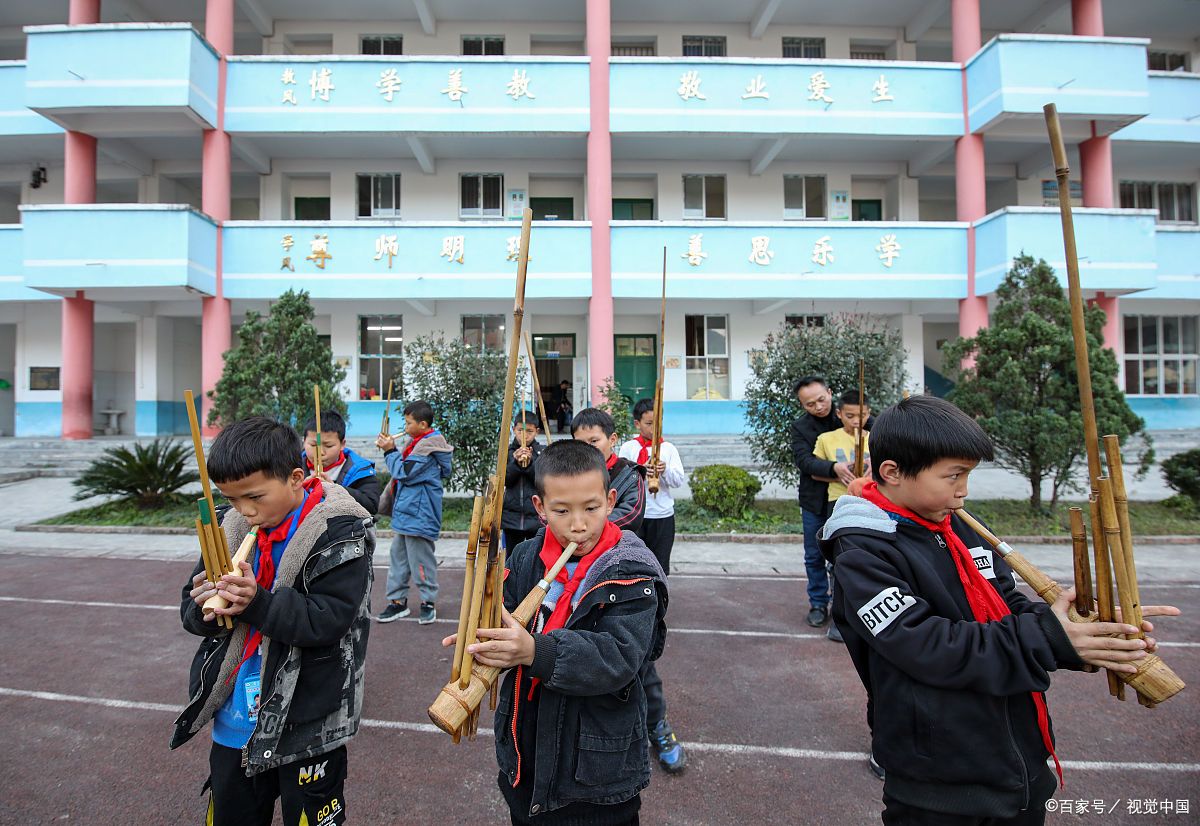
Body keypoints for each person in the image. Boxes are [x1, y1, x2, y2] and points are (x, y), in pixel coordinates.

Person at [821, 396, 1179, 825]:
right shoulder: (862, 550)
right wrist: (1049, 637)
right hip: (938, 781)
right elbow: (925, 644)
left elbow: (1007, 606)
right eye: (953, 475)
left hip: (1019, 763)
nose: (963, 490)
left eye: (968, 475)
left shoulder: (959, 525)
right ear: (893, 472)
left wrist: (1083, 635)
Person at [445, 438, 667, 825]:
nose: (578, 524)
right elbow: (505, 617)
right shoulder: (525, 556)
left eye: (592, 508)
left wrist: (534, 651)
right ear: (540, 508)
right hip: (525, 754)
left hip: (597, 775)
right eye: (562, 510)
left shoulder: (632, 571)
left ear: (611, 501)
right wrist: (481, 636)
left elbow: (618, 658)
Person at [171, 416, 374, 826]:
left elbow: (329, 620)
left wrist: (255, 603)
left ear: (296, 477)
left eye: (255, 497)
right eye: (231, 499)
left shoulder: (339, 531)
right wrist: (205, 609)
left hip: (308, 720)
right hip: (235, 719)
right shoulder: (231, 527)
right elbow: (192, 613)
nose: (245, 511)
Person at [618, 397, 688, 773]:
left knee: (659, 568)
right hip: (639, 514)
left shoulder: (670, 447)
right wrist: (644, 469)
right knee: (634, 561)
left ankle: (654, 605)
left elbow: (678, 480)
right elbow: (626, 475)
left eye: (656, 421)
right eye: (647, 422)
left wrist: (664, 468)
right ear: (637, 423)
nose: (652, 428)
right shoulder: (629, 449)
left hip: (663, 515)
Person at [374, 399, 453, 625]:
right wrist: (391, 450)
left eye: (409, 423)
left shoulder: (428, 447)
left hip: (420, 515)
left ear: (423, 425)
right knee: (398, 560)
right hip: (406, 513)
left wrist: (390, 450)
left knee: (421, 562)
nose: (405, 428)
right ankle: (397, 602)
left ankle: (428, 602)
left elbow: (403, 472)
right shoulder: (416, 442)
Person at [790, 375, 859, 629]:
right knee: (813, 555)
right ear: (802, 405)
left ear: (830, 392)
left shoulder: (850, 415)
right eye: (810, 404)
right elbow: (804, 462)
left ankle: (844, 606)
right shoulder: (800, 428)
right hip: (814, 501)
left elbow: (879, 439)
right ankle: (818, 603)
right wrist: (835, 468)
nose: (818, 406)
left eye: (821, 399)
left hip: (848, 501)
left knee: (843, 556)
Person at [812, 390, 872, 643]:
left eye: (863, 415)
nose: (857, 420)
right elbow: (816, 472)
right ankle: (839, 619)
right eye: (850, 415)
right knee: (838, 562)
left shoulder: (878, 437)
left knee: (867, 560)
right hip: (838, 502)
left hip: (871, 504)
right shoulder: (827, 438)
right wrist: (839, 473)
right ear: (839, 414)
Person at [571, 407, 644, 534]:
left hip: (616, 546)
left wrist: (589, 527)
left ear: (612, 439)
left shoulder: (629, 474)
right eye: (580, 443)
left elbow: (631, 514)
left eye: (594, 441)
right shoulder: (567, 473)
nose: (587, 448)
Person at [301, 409, 381, 514]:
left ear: (342, 444)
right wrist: (299, 488)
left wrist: (335, 490)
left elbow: (371, 506)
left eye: (328, 445)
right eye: (313, 445)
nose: (320, 452)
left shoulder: (360, 470)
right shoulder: (291, 467)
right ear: (304, 441)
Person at [503, 409, 545, 551]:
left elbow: (542, 481)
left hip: (536, 518)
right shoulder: (507, 452)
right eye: (520, 430)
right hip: (511, 517)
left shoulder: (541, 452)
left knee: (534, 555)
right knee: (512, 556)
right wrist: (515, 462)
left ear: (537, 432)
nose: (524, 435)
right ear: (514, 429)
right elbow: (505, 480)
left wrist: (530, 462)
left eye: (529, 431)